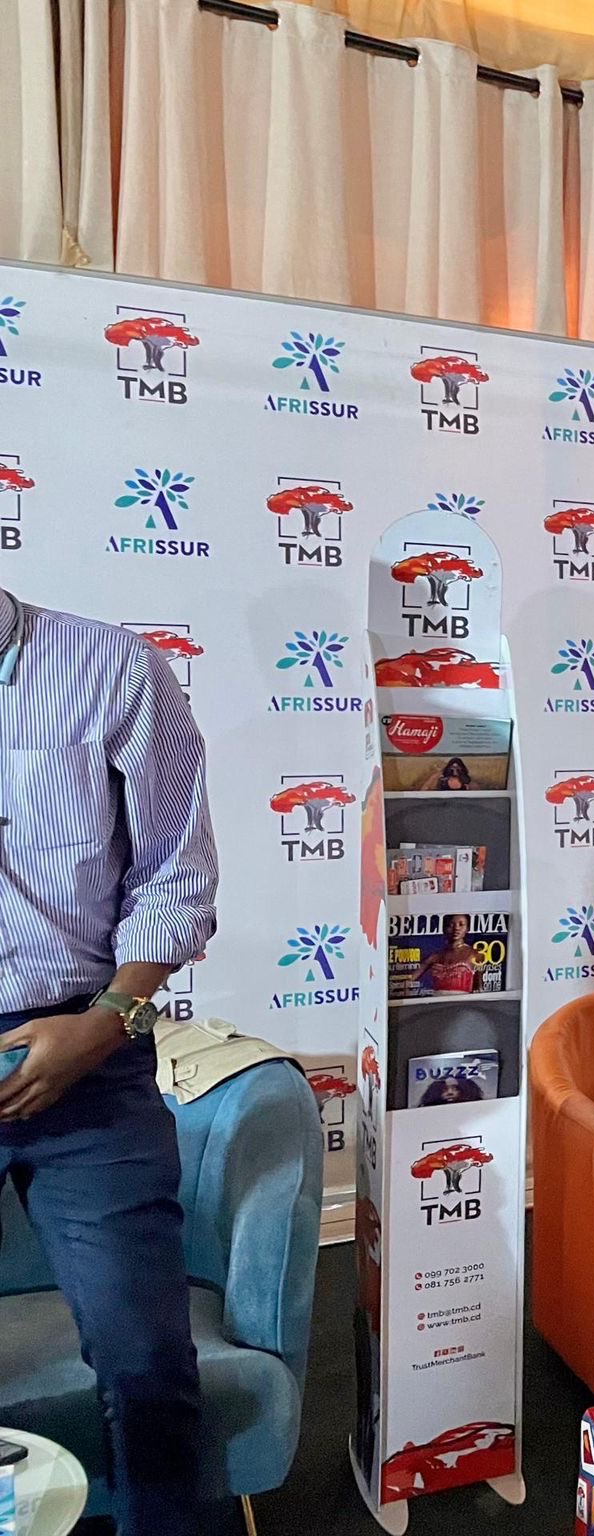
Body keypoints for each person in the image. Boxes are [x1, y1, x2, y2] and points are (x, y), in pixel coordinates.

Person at [0, 589, 217, 1534]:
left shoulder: (116, 669)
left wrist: (108, 1019)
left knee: (146, 1360)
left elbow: (176, 870)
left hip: (87, 1055)